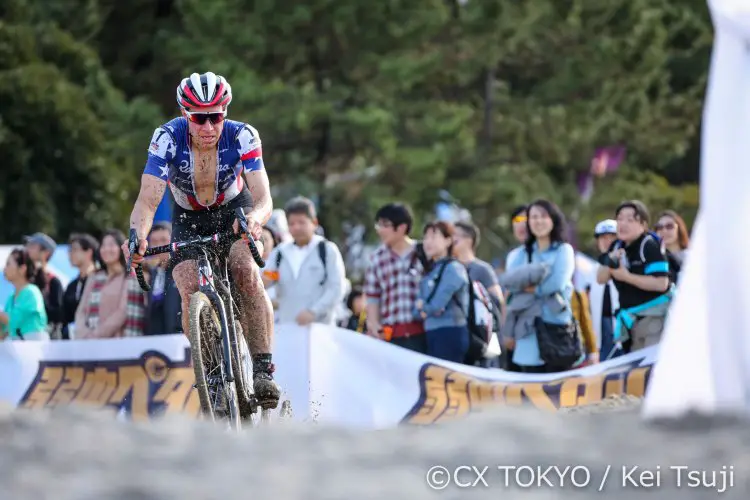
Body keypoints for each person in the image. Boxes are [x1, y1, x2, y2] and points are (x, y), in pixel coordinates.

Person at [121, 72, 279, 408]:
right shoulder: (166, 138)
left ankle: (263, 367)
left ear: (226, 112)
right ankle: (211, 372)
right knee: (186, 281)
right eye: (198, 118)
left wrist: (255, 219)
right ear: (183, 115)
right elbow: (148, 201)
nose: (207, 127)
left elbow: (264, 196)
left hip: (234, 208)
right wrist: (137, 236)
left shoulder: (243, 136)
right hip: (188, 216)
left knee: (243, 269)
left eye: (215, 117)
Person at [504, 199, 576, 373]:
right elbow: (511, 283)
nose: (538, 221)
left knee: (558, 390)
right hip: (527, 330)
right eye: (534, 217)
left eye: (543, 216)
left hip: (555, 328)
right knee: (530, 391)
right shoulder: (520, 254)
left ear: (553, 219)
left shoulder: (563, 250)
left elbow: (557, 283)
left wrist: (533, 288)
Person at [596, 201, 672, 353]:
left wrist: (626, 276)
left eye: (630, 220)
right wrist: (611, 260)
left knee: (651, 371)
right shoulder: (616, 246)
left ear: (643, 225)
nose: (623, 224)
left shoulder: (649, 245)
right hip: (631, 322)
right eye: (620, 219)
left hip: (654, 318)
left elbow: (661, 283)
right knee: (636, 375)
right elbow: (600, 278)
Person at [262, 196, 346, 326]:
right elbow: (270, 276)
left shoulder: (327, 250)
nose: (296, 228)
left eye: (301, 222)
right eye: (292, 224)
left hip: (320, 328)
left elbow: (336, 288)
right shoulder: (280, 253)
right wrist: (265, 279)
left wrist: (314, 311)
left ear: (314, 222)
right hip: (287, 327)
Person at [364, 203, 427, 353]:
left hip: (424, 333)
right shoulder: (377, 258)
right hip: (391, 335)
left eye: (385, 225)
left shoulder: (423, 253)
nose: (380, 230)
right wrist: (373, 324)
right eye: (378, 225)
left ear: (402, 228)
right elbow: (373, 297)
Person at [415, 221, 470, 363]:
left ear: (448, 241)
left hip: (451, 332)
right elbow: (416, 311)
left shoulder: (454, 268)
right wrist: (425, 309)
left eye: (434, 237)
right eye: (426, 237)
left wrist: (424, 308)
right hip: (432, 333)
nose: (428, 242)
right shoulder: (430, 271)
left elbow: (437, 305)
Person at [75, 230, 146, 339]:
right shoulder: (94, 277)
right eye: (103, 245)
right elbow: (81, 310)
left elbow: (123, 311)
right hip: (88, 344)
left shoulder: (131, 276)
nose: (106, 249)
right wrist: (83, 333)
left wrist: (95, 335)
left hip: (119, 344)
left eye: (112, 245)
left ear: (122, 248)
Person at [589, 220, 621, 360]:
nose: (607, 241)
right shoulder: (590, 270)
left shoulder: (627, 264)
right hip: (600, 331)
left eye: (612, 237)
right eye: (603, 237)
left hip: (622, 327)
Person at [0, 249, 48, 340]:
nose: (4, 268)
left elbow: (14, 321)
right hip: (18, 350)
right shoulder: (11, 298)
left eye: (8, 264)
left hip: (34, 350)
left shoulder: (32, 292)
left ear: (22, 269)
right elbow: (4, 332)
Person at [143, 223, 181, 335]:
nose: (159, 246)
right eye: (154, 242)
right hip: (156, 340)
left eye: (163, 240)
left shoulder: (181, 270)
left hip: (180, 339)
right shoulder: (151, 273)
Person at [24, 232, 64, 339]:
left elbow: (58, 315)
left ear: (45, 253)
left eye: (32, 246)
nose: (27, 250)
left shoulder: (53, 282)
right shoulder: (24, 281)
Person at [62, 233, 100, 339]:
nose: (70, 254)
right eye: (69, 250)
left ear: (89, 252)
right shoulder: (72, 285)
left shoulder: (100, 281)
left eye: (74, 250)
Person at [654, 210, 690, 285]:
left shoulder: (692, 257)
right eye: (659, 227)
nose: (664, 231)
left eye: (669, 226)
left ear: (679, 228)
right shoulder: (653, 259)